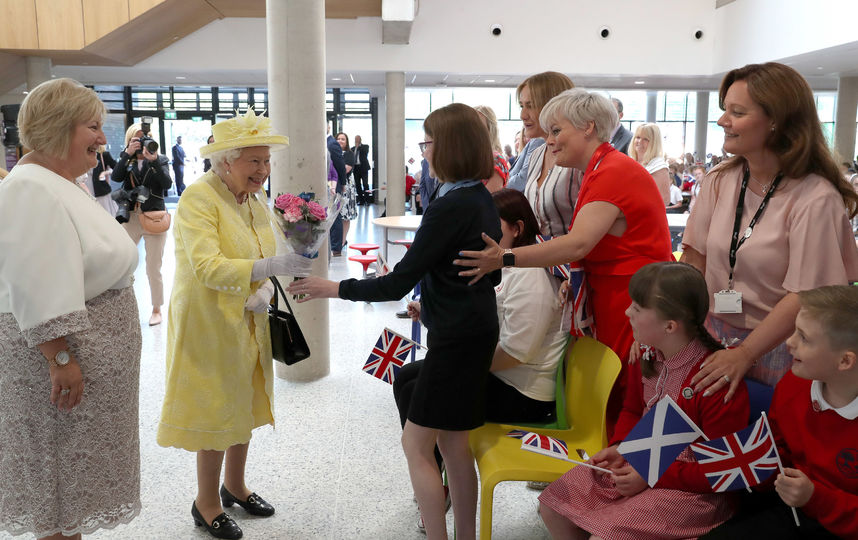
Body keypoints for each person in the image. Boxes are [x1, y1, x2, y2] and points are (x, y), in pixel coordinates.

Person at [286, 103, 501, 540]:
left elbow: (399, 283)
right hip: (473, 329)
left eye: (429, 141)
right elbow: (473, 270)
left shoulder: (452, 204)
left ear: (451, 146)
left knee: (416, 443)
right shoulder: (478, 197)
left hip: (457, 338)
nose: (425, 150)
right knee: (454, 445)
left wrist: (335, 287)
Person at [455, 89, 673, 437]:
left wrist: (506, 257)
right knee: (613, 396)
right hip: (613, 294)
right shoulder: (599, 169)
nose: (550, 141)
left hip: (632, 298)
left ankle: (621, 480)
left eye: (556, 131)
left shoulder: (614, 170)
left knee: (624, 393)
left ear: (588, 127)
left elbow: (577, 243)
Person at [156, 109, 311, 540]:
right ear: (226, 160)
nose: (263, 171)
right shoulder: (198, 198)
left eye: (266, 162)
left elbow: (261, 248)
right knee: (216, 407)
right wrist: (266, 267)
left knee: (245, 398)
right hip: (209, 321)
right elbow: (206, 266)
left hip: (251, 315)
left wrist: (271, 281)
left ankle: (235, 486)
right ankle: (205, 502)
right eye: (254, 162)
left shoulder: (253, 199)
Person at [0, 78, 141, 540]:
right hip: (63, 364)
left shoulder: (57, 184)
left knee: (70, 498)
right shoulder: (31, 189)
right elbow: (37, 281)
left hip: (84, 361)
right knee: (58, 488)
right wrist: (60, 358)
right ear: (60, 128)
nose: (103, 139)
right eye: (93, 126)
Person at [682, 62, 858, 400]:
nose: (722, 120)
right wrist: (680, 326)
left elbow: (805, 295)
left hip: (781, 346)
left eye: (737, 112)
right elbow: (694, 259)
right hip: (711, 335)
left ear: (775, 121)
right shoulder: (720, 180)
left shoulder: (815, 197)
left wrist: (745, 353)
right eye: (724, 110)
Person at [539, 262, 750, 540]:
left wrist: (651, 474)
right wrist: (621, 447)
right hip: (642, 464)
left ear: (670, 326)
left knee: (605, 536)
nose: (627, 312)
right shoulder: (646, 356)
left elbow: (722, 470)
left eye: (637, 308)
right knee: (551, 506)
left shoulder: (714, 381)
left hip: (696, 491)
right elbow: (632, 409)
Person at [393, 190, 567, 524]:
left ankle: (436, 475)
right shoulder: (504, 264)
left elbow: (518, 351)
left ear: (516, 228)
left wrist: (460, 366)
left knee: (419, 389)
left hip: (524, 392)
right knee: (407, 378)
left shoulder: (530, 274)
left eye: (489, 224)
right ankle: (433, 469)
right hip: (497, 372)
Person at [702, 285, 858, 539]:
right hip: (794, 510)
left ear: (844, 361)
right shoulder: (794, 385)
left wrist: (815, 497)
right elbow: (778, 449)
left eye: (804, 338)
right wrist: (759, 471)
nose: (789, 343)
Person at [112, 123, 173, 326]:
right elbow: (116, 177)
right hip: (130, 216)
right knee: (124, 264)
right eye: (136, 139)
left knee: (153, 267)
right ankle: (123, 307)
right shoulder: (126, 159)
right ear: (130, 140)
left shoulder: (160, 160)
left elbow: (167, 184)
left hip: (154, 216)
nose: (141, 143)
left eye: (144, 138)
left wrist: (153, 161)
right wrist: (126, 154)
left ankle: (157, 309)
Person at [507, 72, 575, 194]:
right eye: (522, 106)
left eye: (531, 106)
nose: (523, 115)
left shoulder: (577, 159)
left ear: (553, 106)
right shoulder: (538, 154)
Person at [628, 123, 671, 206]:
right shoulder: (630, 162)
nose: (640, 142)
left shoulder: (658, 167)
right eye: (638, 137)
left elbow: (665, 199)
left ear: (654, 143)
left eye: (646, 139)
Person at [474, 105, 510, 193]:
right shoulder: (471, 158)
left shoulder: (495, 160)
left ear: (490, 130)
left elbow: (487, 201)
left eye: (478, 126)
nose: (473, 130)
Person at [336, 132, 357, 245]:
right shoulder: (332, 153)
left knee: (345, 216)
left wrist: (333, 168)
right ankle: (335, 240)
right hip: (333, 186)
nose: (340, 141)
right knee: (335, 215)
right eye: (338, 139)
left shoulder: (349, 154)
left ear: (347, 141)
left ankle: (343, 241)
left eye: (343, 139)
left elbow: (345, 169)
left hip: (346, 187)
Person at [91, 145, 117, 215]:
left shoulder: (104, 155)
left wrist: (105, 172)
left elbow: (116, 169)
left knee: (105, 215)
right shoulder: (84, 155)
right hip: (88, 191)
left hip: (101, 192)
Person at [352, 134, 371, 204]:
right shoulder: (352, 149)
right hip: (356, 169)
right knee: (358, 185)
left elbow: (365, 153)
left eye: (358, 139)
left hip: (363, 168)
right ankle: (361, 200)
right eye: (355, 139)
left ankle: (367, 200)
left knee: (365, 184)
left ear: (360, 140)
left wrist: (358, 146)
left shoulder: (365, 147)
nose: (356, 141)